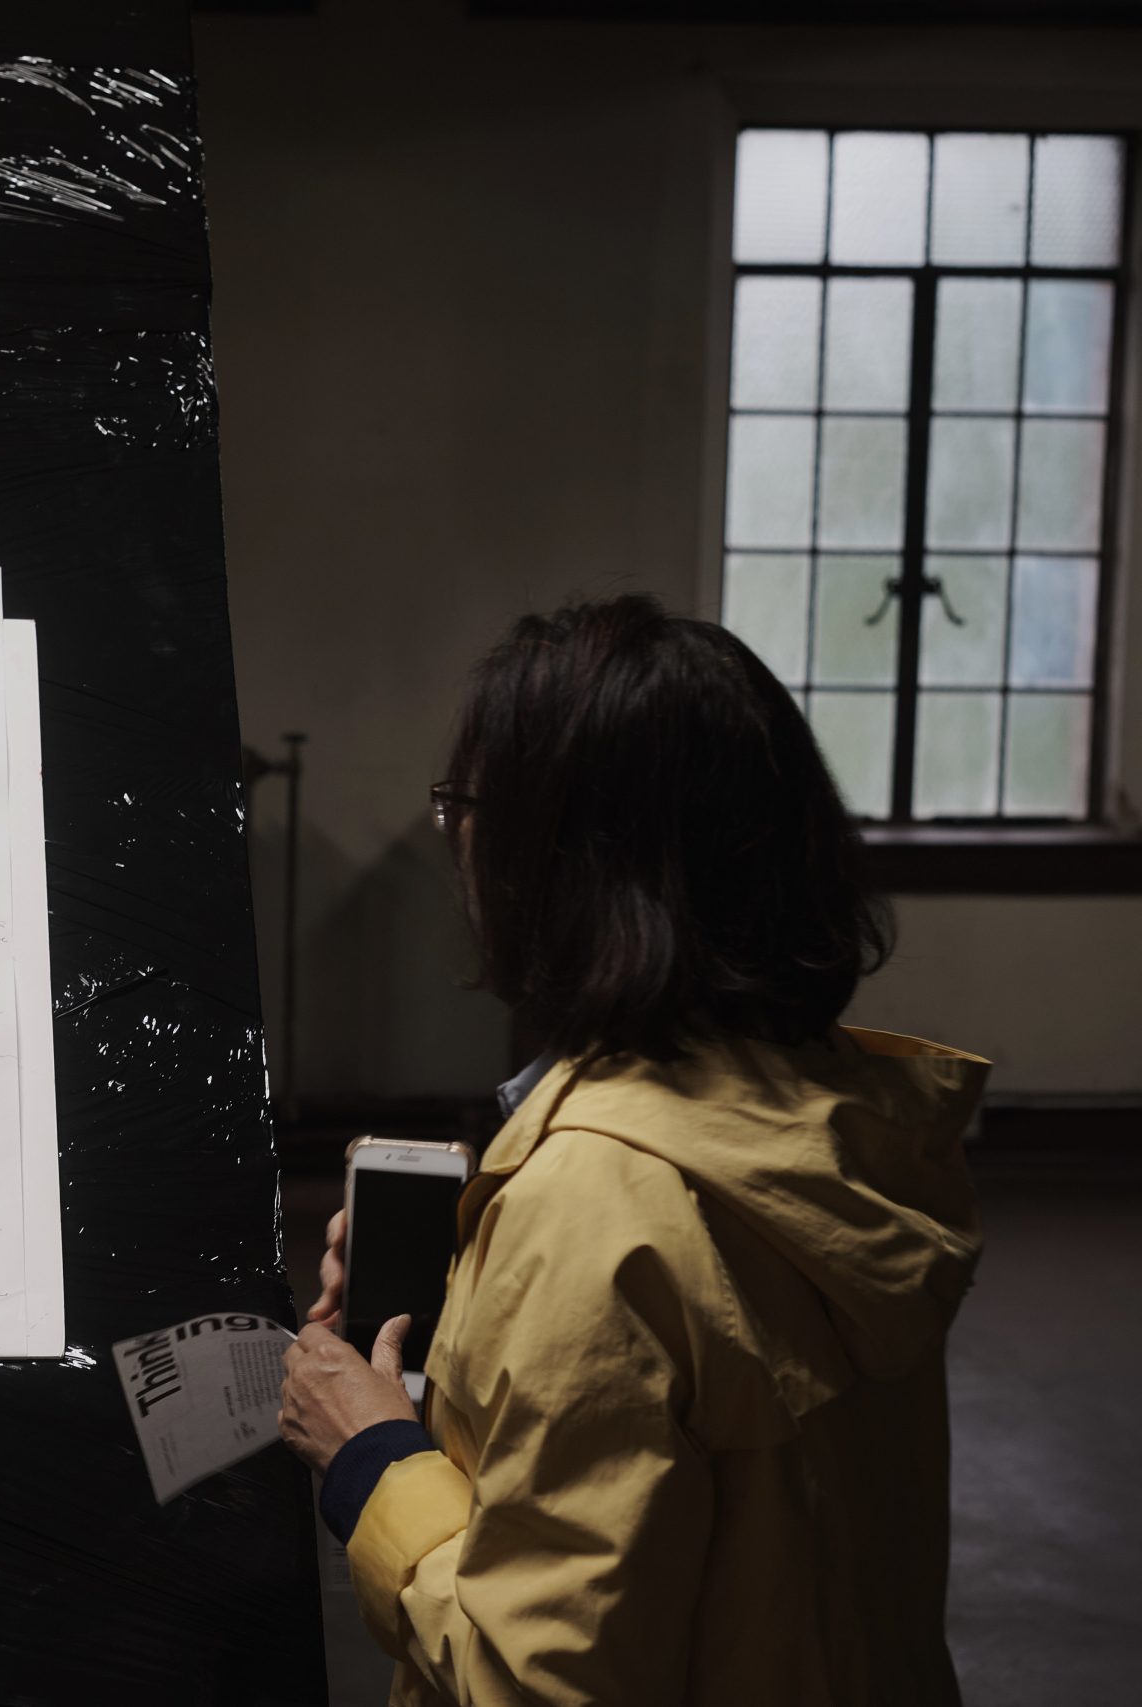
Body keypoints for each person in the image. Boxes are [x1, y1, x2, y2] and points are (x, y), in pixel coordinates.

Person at [275, 596, 985, 1705]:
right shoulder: (849, 1120)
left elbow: (536, 1681)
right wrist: (473, 1306)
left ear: (550, 859)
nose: (446, 832)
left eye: (460, 803)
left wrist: (371, 1462)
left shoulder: (592, 1207)